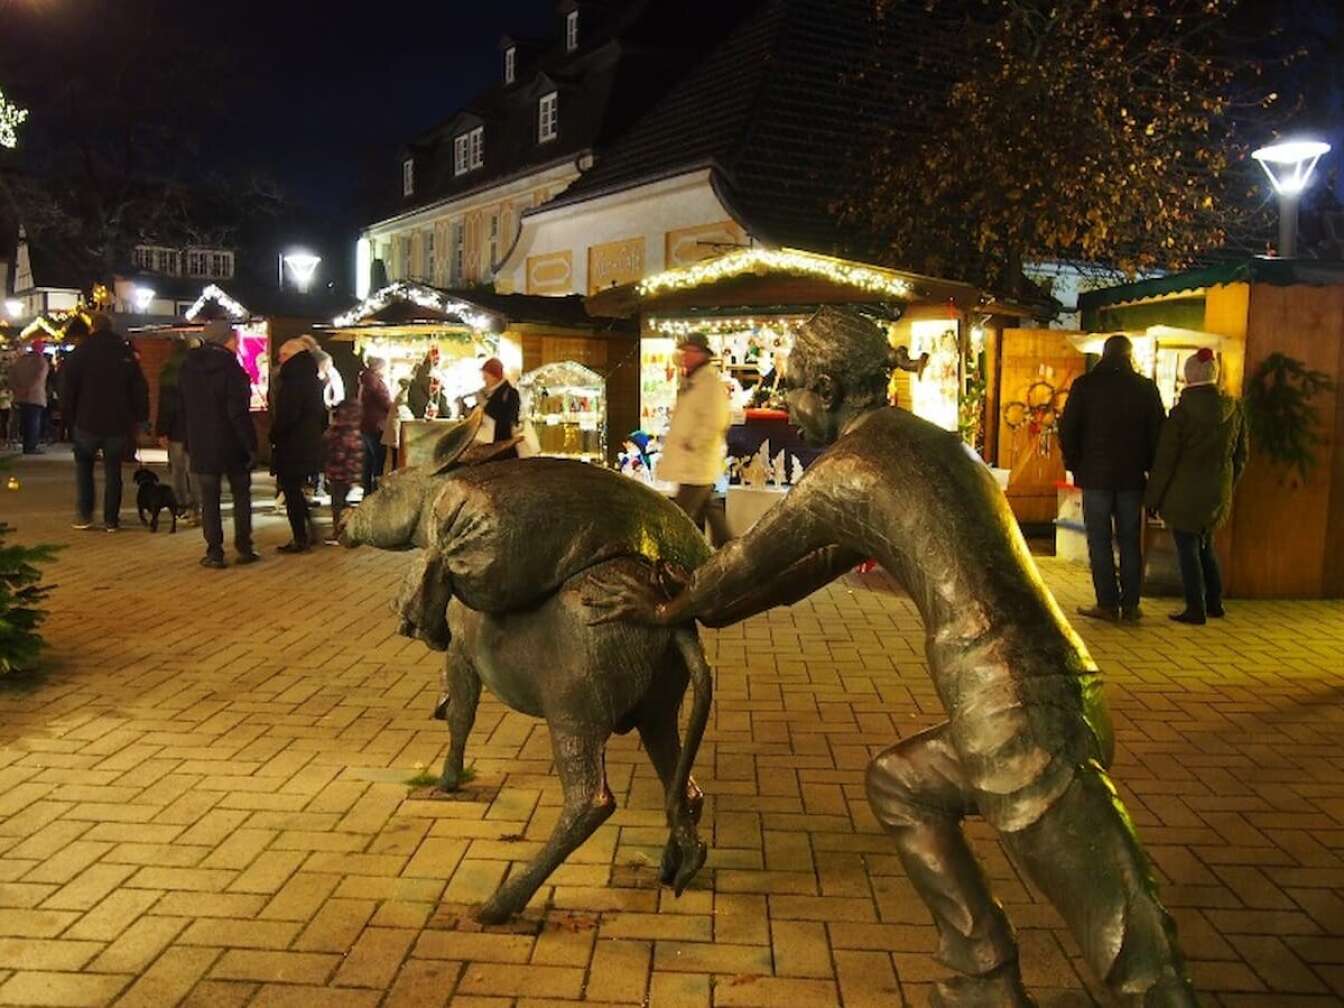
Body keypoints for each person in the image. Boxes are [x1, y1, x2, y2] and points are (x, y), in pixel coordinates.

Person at [587, 307, 1195, 1008]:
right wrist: (702, 605)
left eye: (789, 388)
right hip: (1057, 684)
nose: (783, 402)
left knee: (1124, 930)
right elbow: (798, 572)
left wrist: (668, 607)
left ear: (826, 383)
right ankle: (981, 976)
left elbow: (754, 556)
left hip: (1011, 710)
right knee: (901, 784)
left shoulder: (851, 467)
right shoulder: (926, 447)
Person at [1058, 334, 1165, 623]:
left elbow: (1067, 429)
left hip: (1095, 477)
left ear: (1104, 354)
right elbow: (1158, 434)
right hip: (1132, 478)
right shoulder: (1145, 388)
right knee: (1130, 541)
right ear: (1130, 356)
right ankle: (1131, 604)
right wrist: (1150, 468)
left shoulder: (1086, 386)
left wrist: (1076, 465)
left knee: (1100, 540)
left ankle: (1106, 603)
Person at [1145, 348, 1249, 625]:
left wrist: (1153, 499)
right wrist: (1227, 483)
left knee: (1188, 548)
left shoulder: (1181, 413)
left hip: (1184, 491)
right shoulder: (1235, 408)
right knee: (1206, 544)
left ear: (1188, 376)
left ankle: (1195, 607)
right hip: (1218, 489)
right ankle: (1215, 601)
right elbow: (1241, 454)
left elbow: (1166, 460)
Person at [178, 319, 259, 568]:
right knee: (241, 495)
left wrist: (186, 438)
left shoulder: (187, 367)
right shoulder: (233, 370)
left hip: (202, 442)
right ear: (228, 339)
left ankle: (214, 551)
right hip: (232, 443)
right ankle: (244, 547)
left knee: (209, 499)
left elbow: (181, 406)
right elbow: (238, 412)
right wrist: (250, 445)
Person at [60, 314, 149, 531]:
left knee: (84, 469)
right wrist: (140, 418)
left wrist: (69, 418)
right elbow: (139, 389)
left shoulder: (80, 354)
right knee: (113, 471)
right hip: (118, 422)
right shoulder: (124, 352)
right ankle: (111, 519)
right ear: (111, 327)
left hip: (86, 420)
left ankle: (85, 514)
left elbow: (67, 389)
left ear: (92, 328)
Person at [657, 333, 732, 546]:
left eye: (689, 351)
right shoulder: (694, 381)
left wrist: (694, 443)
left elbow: (717, 419)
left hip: (697, 462)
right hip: (694, 464)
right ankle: (726, 550)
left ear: (700, 354)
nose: (685, 356)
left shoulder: (708, 384)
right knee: (710, 513)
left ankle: (683, 553)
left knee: (683, 517)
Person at [270, 338, 326, 553]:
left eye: (283, 355)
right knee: (296, 490)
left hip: (292, 444)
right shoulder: (312, 377)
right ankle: (309, 531)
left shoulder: (292, 380)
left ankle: (300, 537)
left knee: (291, 490)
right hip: (308, 441)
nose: (279, 359)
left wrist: (274, 435)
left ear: (293, 356)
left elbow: (287, 415)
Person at [156, 339, 199, 525]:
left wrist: (161, 430)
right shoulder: (198, 370)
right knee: (194, 470)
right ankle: (196, 506)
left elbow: (166, 405)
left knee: (178, 469)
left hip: (176, 428)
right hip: (195, 427)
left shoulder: (168, 372)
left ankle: (181, 505)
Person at [323, 399, 363, 543]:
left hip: (338, 471)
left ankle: (338, 531)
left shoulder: (339, 431)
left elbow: (337, 452)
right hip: (349, 472)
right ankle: (347, 529)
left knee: (337, 504)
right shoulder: (355, 430)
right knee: (342, 503)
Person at [9, 337, 51, 455]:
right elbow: (39, 378)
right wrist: (29, 389)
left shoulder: (20, 361)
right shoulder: (41, 361)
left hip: (20, 396)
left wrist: (17, 390)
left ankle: (25, 444)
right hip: (35, 396)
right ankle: (31, 446)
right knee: (33, 421)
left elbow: (11, 377)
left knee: (25, 421)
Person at [476, 357, 521, 458]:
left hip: (504, 448)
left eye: (486, 376)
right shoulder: (487, 393)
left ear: (494, 376)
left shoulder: (510, 393)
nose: (484, 379)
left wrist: (485, 404)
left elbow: (506, 418)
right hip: (489, 446)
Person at [358, 356, 391, 493]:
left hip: (366, 424)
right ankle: (376, 490)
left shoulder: (365, 380)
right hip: (376, 425)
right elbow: (385, 402)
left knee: (369, 459)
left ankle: (367, 490)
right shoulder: (376, 383)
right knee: (378, 458)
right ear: (379, 367)